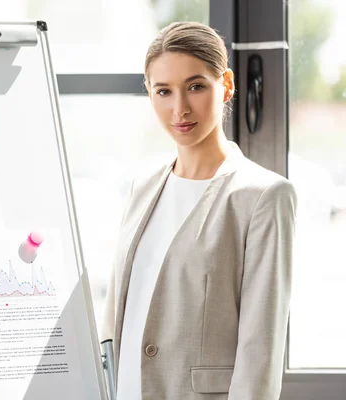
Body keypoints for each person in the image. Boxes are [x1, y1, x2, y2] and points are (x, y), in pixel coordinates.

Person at [100, 21, 298, 399]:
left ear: (226, 84)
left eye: (195, 86)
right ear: (149, 93)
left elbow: (261, 351)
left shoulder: (263, 196)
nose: (180, 109)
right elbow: (115, 320)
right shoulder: (142, 188)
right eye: (164, 91)